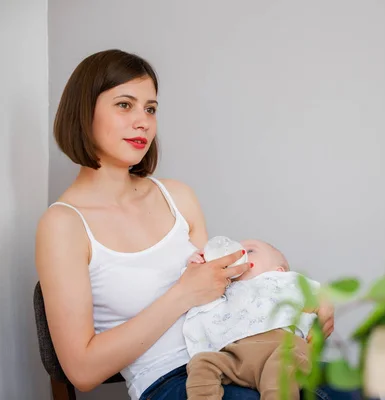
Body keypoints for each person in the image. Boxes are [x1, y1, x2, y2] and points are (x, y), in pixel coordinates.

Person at [35, 49, 336, 400]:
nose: (143, 121)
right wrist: (181, 295)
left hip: (237, 356)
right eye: (124, 105)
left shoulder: (178, 197)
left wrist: (306, 300)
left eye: (150, 108)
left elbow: (223, 293)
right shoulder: (63, 225)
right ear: (83, 112)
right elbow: (82, 371)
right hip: (167, 380)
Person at [183, 238, 318, 400]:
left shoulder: (284, 282)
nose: (239, 255)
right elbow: (196, 296)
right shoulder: (222, 291)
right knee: (202, 362)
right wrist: (198, 265)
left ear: (279, 271)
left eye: (250, 251)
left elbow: (319, 298)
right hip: (236, 356)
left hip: (281, 348)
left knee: (281, 372)